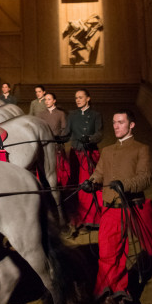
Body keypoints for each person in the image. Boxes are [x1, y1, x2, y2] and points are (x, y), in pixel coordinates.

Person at [82, 109, 152, 304]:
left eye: (121, 122)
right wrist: (91, 182)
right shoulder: (106, 151)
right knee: (108, 253)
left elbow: (145, 177)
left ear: (131, 125)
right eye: (114, 122)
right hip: (111, 211)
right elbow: (99, 173)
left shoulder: (142, 149)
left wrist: (124, 184)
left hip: (135, 207)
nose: (116, 126)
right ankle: (113, 294)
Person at [58, 88, 103, 228]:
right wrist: (56, 139)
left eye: (81, 97)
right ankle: (77, 217)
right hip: (75, 154)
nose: (77, 100)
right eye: (76, 97)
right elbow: (67, 134)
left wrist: (89, 139)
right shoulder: (71, 115)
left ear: (88, 98)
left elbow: (100, 134)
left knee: (89, 185)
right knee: (75, 184)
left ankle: (93, 218)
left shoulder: (96, 115)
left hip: (89, 154)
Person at [42, 92, 70, 188]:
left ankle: (59, 185)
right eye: (45, 99)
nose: (47, 101)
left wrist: (60, 138)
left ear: (54, 101)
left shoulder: (60, 114)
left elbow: (64, 129)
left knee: (58, 168)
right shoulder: (40, 114)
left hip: (57, 145)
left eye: (49, 99)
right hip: (44, 146)